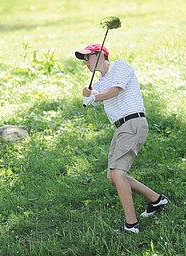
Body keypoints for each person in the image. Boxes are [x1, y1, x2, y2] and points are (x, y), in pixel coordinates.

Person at [75, 43, 169, 233]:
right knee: (113, 177)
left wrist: (95, 97)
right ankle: (157, 200)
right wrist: (88, 94)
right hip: (120, 128)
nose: (85, 62)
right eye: (83, 59)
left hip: (133, 122)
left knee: (118, 173)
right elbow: (97, 94)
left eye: (88, 57)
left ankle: (131, 225)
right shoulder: (100, 82)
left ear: (101, 55)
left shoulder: (120, 67)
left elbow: (116, 90)